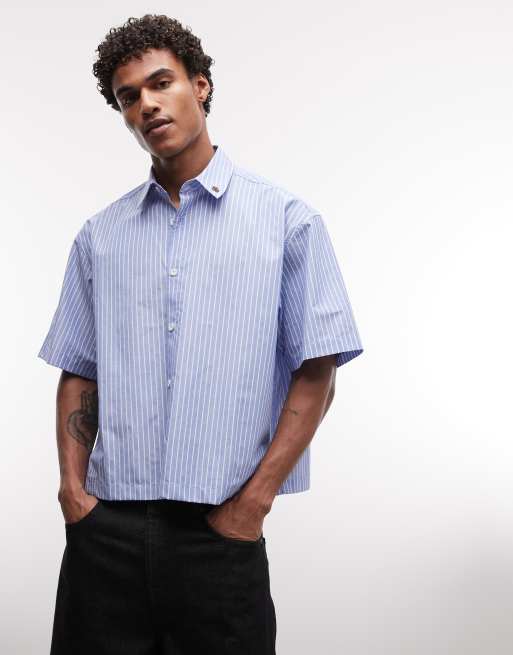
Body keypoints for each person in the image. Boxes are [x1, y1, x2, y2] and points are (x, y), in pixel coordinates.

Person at [38, 13, 364, 655]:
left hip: (220, 535)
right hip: (106, 534)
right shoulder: (100, 237)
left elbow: (318, 371)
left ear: (201, 85)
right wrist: (73, 494)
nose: (147, 104)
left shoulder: (287, 222)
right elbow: (79, 368)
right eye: (129, 96)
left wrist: (252, 505)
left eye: (161, 83)